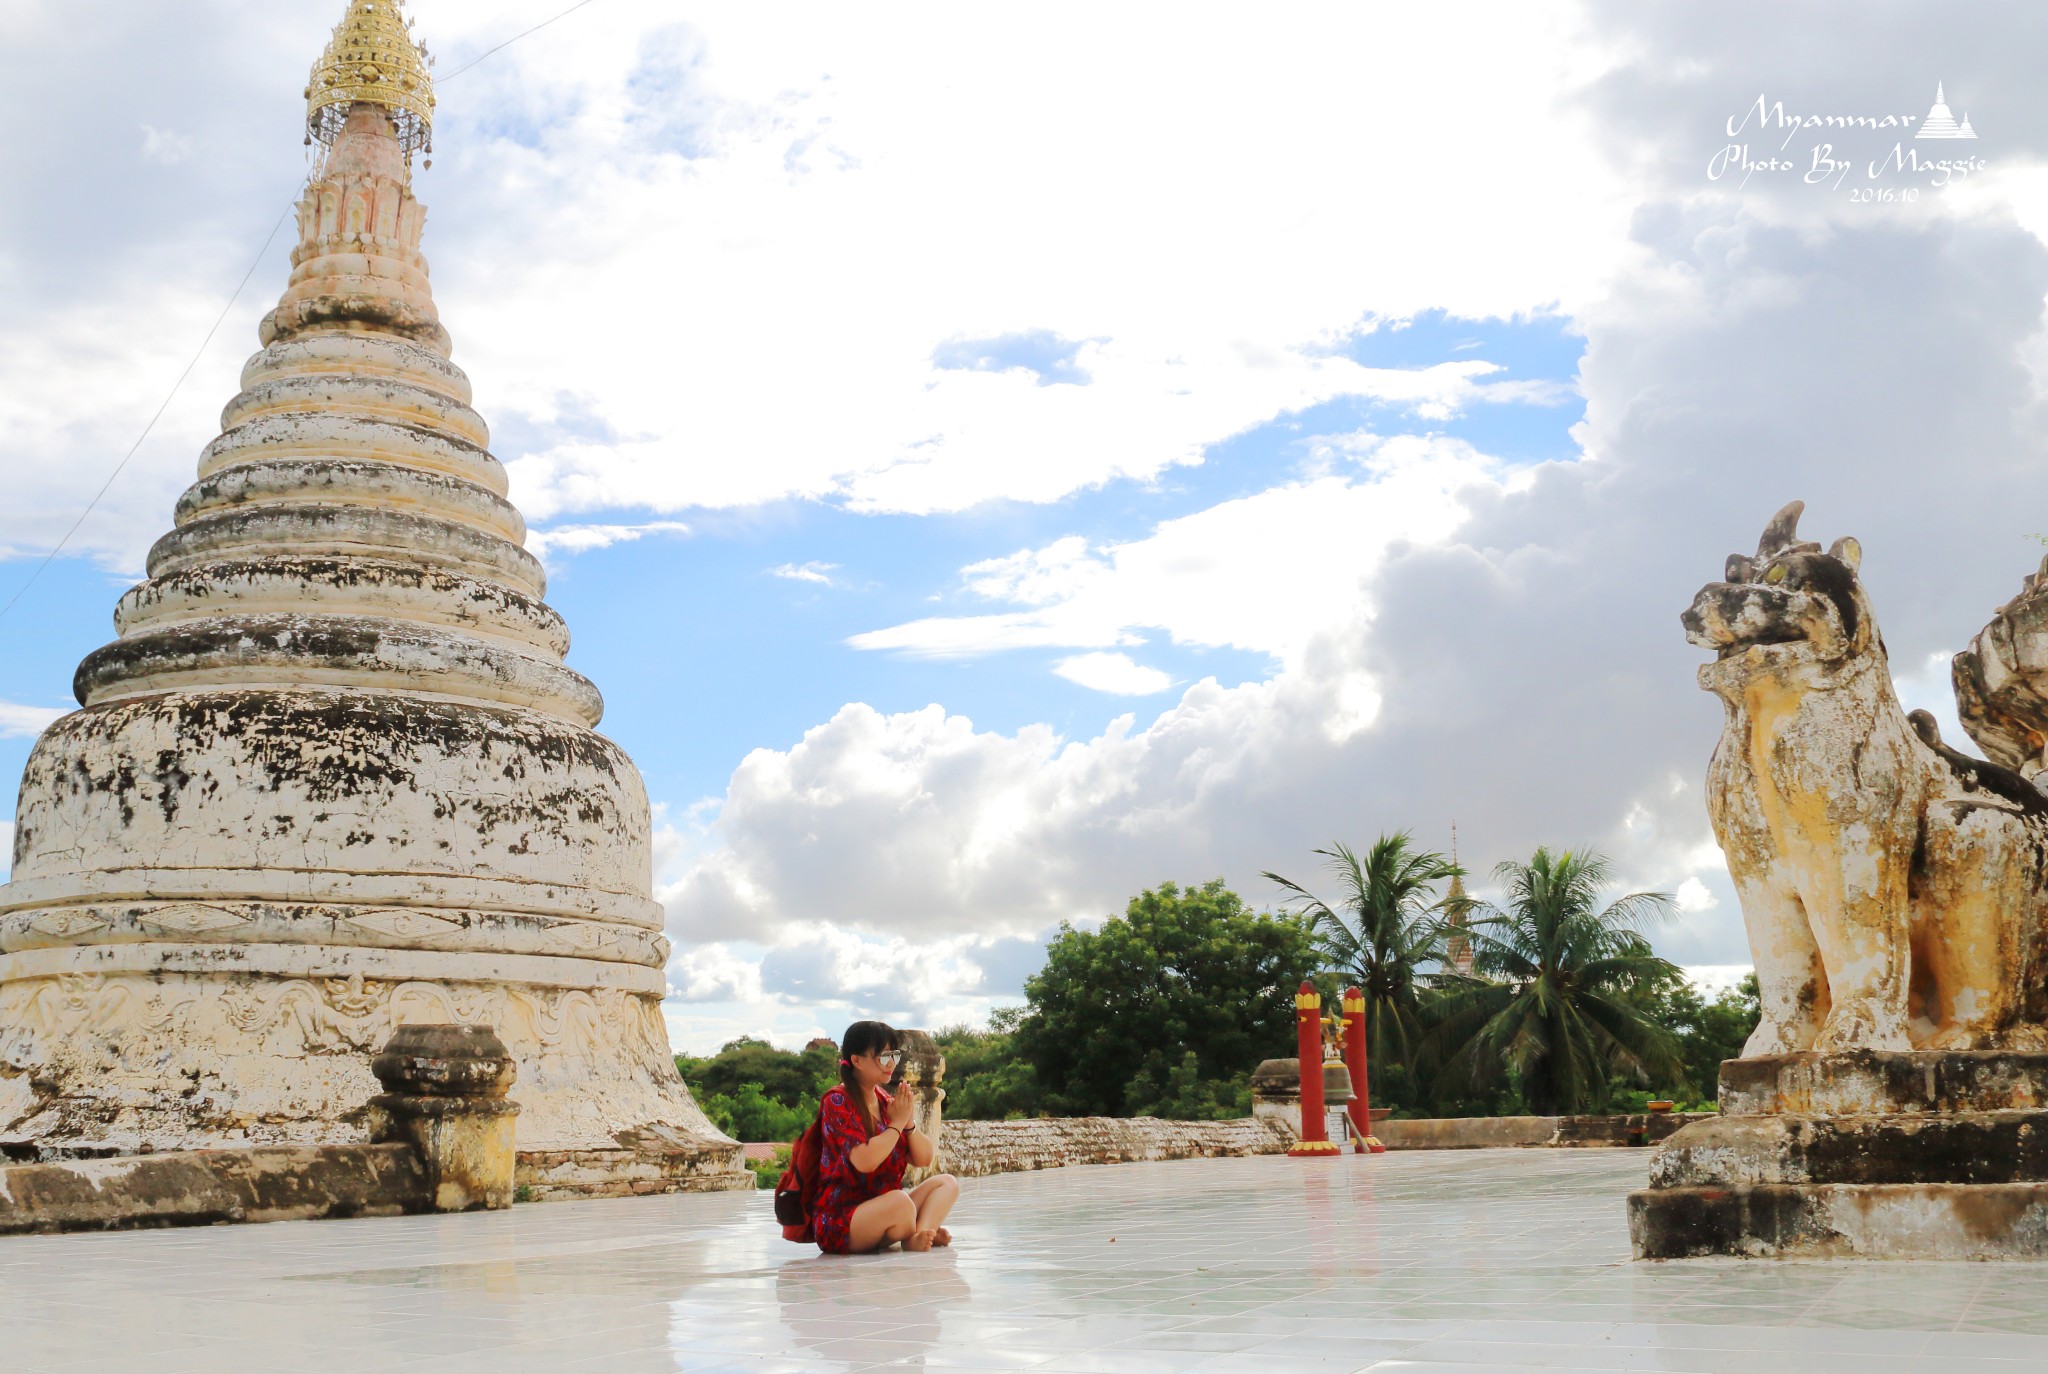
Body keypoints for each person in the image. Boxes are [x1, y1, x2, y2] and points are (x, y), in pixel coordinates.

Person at [812, 1020, 960, 1254]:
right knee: (900, 1202)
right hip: (843, 1221)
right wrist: (897, 1124)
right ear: (857, 1060)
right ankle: (915, 1234)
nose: (891, 1063)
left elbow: (924, 1158)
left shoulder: (883, 1100)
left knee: (946, 1183)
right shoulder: (837, 1101)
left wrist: (908, 1123)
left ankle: (918, 1235)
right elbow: (864, 1161)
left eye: (894, 1055)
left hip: (887, 1208)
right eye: (883, 1057)